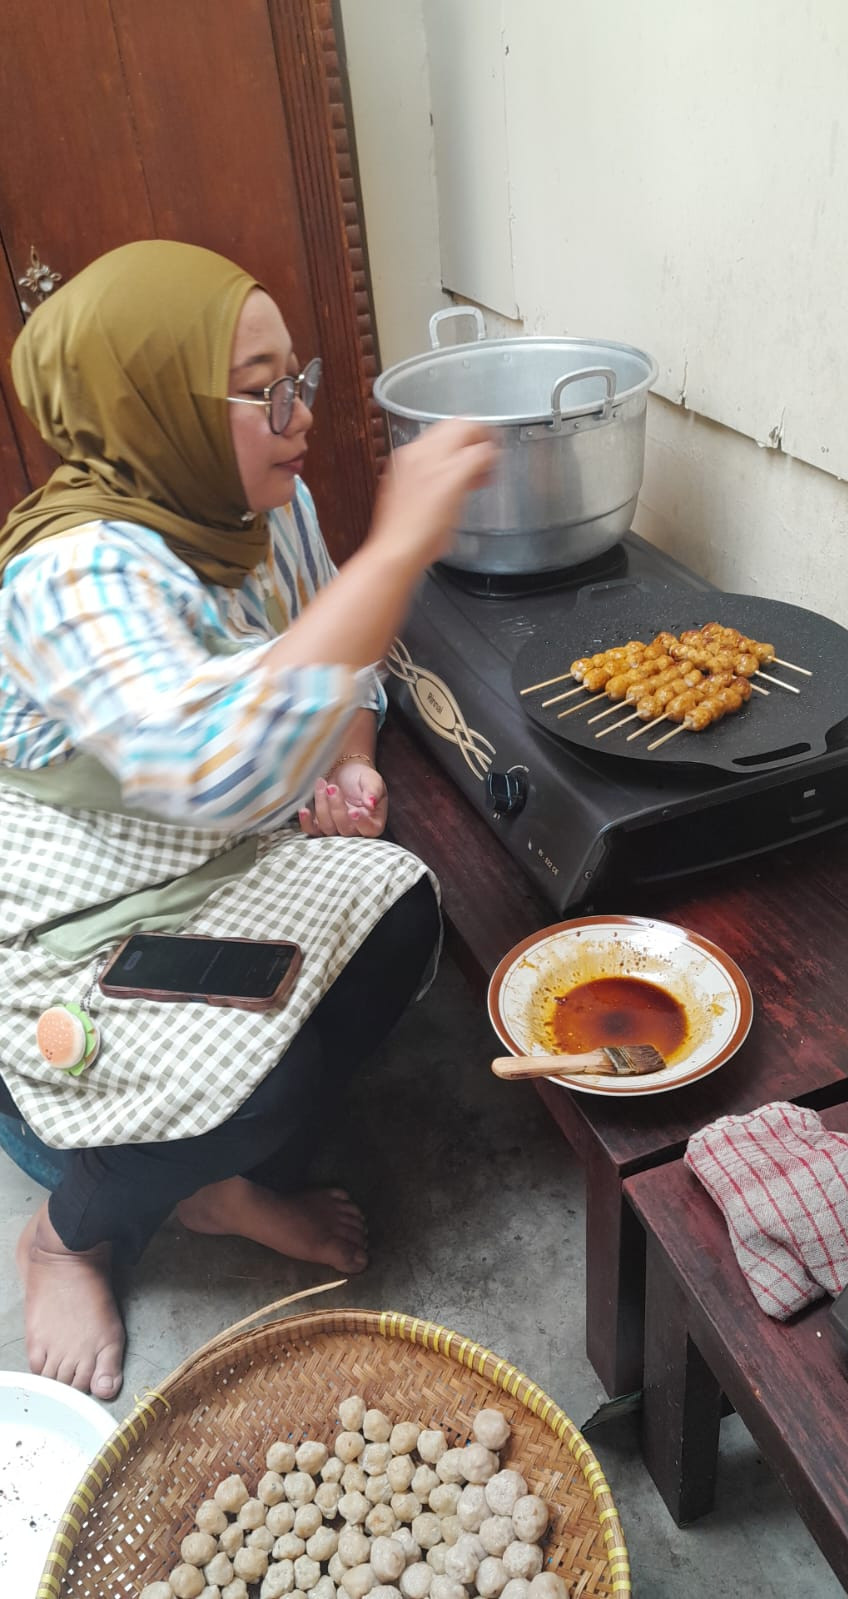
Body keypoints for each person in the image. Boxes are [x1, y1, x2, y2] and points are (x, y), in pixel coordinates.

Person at [0, 240, 495, 1401]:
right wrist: (401, 544)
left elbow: (346, 661)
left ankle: (201, 1176)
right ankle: (72, 1233)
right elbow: (204, 762)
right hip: (82, 917)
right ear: (153, 402)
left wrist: (354, 762)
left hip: (218, 861)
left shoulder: (262, 508)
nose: (299, 412)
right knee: (259, 1085)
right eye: (262, 387)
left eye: (299, 375)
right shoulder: (73, 577)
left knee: (403, 921)